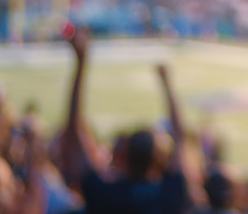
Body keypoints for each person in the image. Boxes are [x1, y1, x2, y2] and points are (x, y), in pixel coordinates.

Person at [55, 28, 189, 214]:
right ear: (161, 162)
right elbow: (181, 138)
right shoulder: (171, 194)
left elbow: (74, 133)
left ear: (122, 158)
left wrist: (80, 64)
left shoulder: (105, 194)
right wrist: (167, 85)